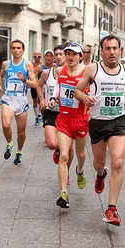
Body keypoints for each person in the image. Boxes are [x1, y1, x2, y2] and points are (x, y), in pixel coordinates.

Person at [74, 34, 125, 226]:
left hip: (118, 120)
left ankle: (111, 209)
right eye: (108, 48)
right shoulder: (93, 69)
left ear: (120, 50)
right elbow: (78, 90)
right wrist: (84, 98)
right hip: (97, 122)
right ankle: (101, 174)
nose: (112, 52)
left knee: (118, 163)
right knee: (98, 163)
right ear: (101, 51)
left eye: (115, 48)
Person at [49, 41, 89, 208]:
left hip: (80, 120)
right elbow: (58, 89)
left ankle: (79, 171)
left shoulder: (88, 73)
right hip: (64, 119)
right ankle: (63, 193)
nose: (71, 57)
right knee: (64, 155)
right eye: (68, 54)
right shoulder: (59, 71)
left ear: (81, 56)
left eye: (74, 54)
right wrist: (52, 98)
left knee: (80, 154)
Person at [0, 39, 37, 165]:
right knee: (6, 125)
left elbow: (35, 84)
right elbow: (1, 75)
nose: (16, 50)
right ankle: (9, 144)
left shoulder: (28, 65)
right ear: (11, 50)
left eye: (18, 48)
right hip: (8, 98)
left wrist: (24, 80)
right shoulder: (6, 64)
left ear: (23, 50)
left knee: (21, 132)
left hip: (21, 100)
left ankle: (19, 151)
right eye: (13, 48)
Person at [36, 45, 74, 177]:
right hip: (51, 111)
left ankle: (66, 172)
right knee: (52, 144)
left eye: (61, 54)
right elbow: (38, 86)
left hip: (69, 114)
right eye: (56, 54)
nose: (58, 57)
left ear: (66, 56)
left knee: (68, 148)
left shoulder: (73, 73)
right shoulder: (47, 73)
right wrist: (42, 99)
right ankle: (57, 149)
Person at [31, 50, 43, 125]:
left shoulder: (42, 65)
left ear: (41, 57)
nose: (37, 58)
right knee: (35, 101)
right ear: (33, 57)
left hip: (41, 85)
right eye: (35, 56)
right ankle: (36, 116)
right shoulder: (31, 65)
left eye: (38, 56)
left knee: (40, 100)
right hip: (34, 85)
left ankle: (39, 115)